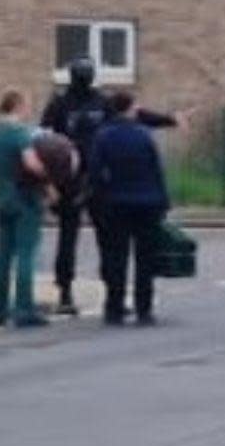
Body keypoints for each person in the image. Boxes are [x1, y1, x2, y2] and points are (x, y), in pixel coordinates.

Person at [41, 57, 180, 315]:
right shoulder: (99, 102)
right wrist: (169, 120)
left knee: (73, 238)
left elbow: (44, 140)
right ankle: (108, 294)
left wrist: (48, 182)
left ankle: (68, 293)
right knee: (106, 240)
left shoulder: (59, 103)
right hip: (97, 181)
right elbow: (137, 116)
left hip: (71, 179)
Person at [0, 91, 75, 328]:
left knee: (3, 254)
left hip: (2, 196)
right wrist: (49, 182)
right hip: (24, 198)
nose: (28, 111)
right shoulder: (19, 133)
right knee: (26, 253)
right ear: (17, 105)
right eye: (27, 106)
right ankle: (24, 308)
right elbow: (31, 164)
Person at [87, 90, 169, 326]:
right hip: (147, 202)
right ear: (130, 109)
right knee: (145, 258)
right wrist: (163, 201)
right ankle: (144, 308)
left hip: (116, 202)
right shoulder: (144, 136)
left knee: (116, 257)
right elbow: (156, 170)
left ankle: (114, 307)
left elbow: (95, 172)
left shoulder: (103, 137)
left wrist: (98, 197)